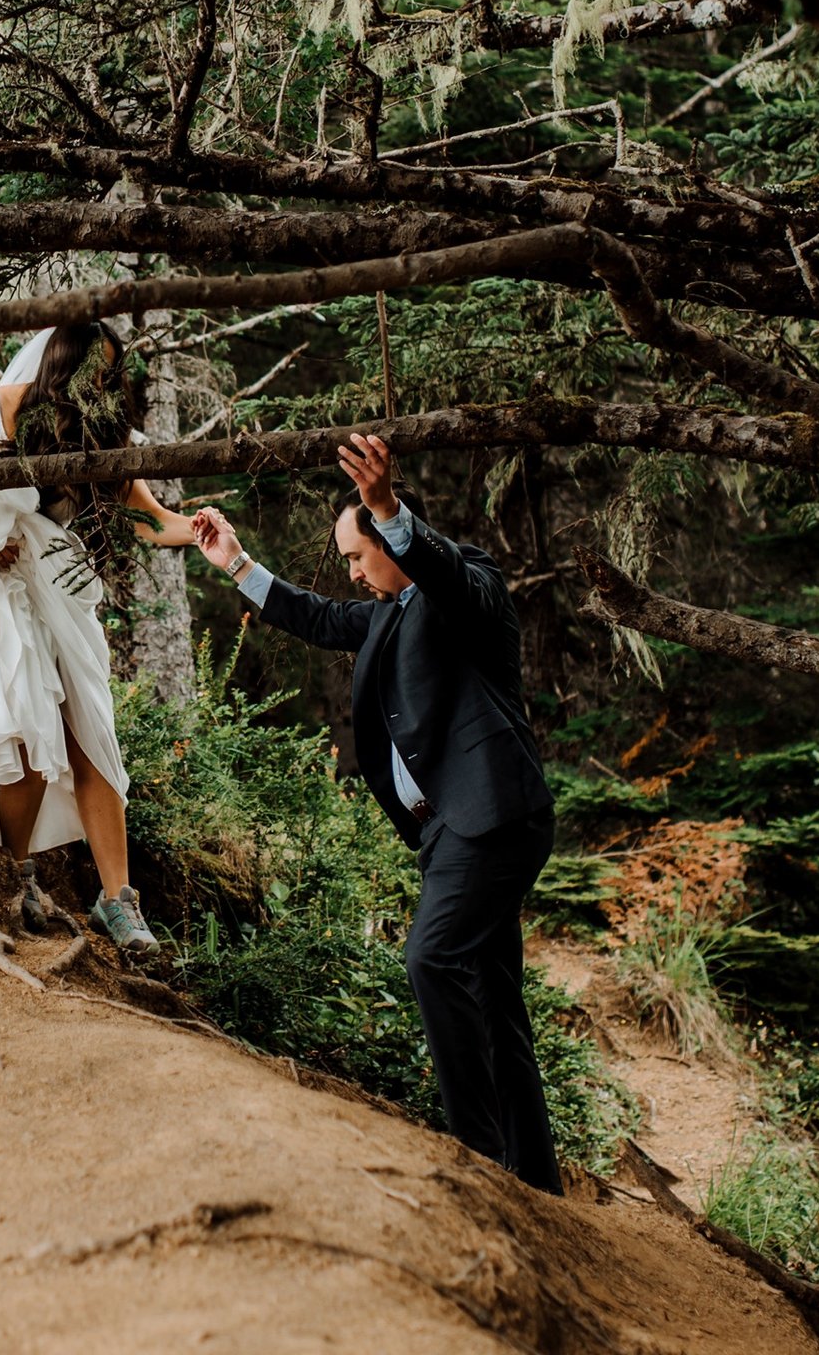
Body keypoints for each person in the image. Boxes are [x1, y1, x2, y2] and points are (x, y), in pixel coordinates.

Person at [189, 435, 561, 1191]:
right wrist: (236, 562)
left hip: (491, 817)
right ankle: (538, 1182)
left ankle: (484, 1166)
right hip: (450, 831)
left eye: (359, 557)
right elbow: (321, 618)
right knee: (494, 998)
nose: (354, 574)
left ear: (392, 539)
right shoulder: (387, 614)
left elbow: (445, 572)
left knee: (431, 958)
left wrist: (389, 508)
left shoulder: (467, 587)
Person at [0, 323, 193, 958]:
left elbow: (155, 522)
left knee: (90, 737)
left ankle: (119, 902)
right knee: (23, 730)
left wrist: (204, 532)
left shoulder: (99, 437)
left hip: (60, 593)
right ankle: (12, 878)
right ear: (62, 362)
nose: (103, 386)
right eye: (95, 371)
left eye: (110, 375)